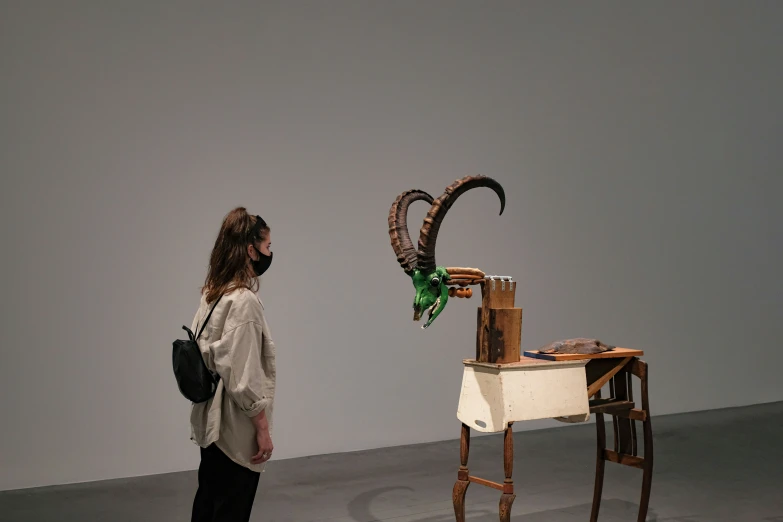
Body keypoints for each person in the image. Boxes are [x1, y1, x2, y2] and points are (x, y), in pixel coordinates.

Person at [189, 207, 276, 522]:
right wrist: (263, 429)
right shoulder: (243, 302)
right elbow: (243, 378)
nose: (270, 254)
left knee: (208, 507)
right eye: (267, 247)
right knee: (230, 512)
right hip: (234, 432)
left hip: (210, 424)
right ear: (251, 251)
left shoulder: (212, 294)